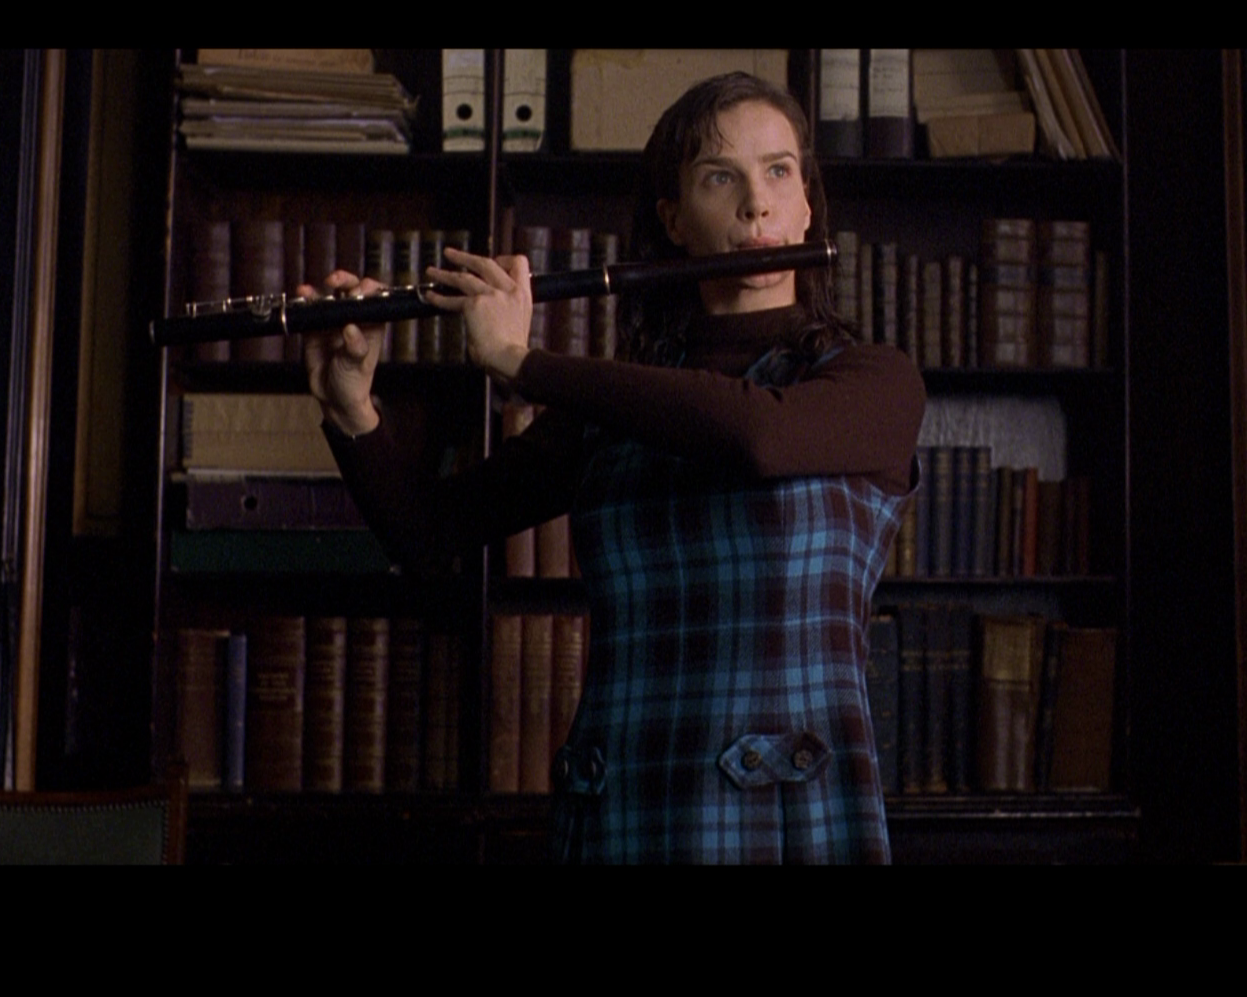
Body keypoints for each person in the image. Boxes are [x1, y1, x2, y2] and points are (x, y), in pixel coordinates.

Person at [305, 71, 925, 863]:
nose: (756, 204)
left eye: (778, 171)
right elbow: (429, 533)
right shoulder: (615, 407)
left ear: (807, 202)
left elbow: (759, 436)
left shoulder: (871, 380)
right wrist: (351, 406)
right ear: (674, 219)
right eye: (719, 177)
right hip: (624, 811)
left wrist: (521, 361)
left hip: (787, 821)